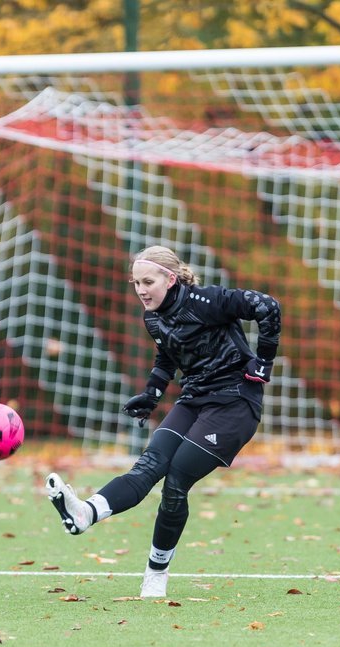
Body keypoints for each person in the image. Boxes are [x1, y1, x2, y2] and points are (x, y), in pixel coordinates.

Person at [45, 245, 282, 599]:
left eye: (148, 281)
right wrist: (152, 394)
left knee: (176, 480)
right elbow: (166, 355)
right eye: (135, 282)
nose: (141, 290)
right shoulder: (153, 317)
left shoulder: (209, 300)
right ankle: (85, 513)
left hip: (235, 402)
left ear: (171, 279)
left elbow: (268, 308)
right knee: (148, 465)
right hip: (195, 398)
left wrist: (263, 361)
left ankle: (156, 572)